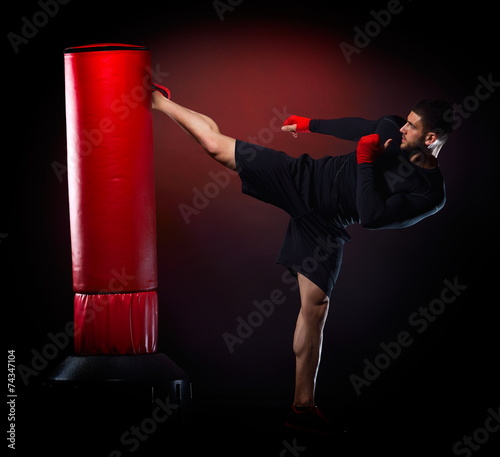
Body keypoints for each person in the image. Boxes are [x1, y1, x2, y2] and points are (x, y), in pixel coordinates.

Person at [151, 84, 454, 434]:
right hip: (302, 178)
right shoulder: (391, 129)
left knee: (316, 307)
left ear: (430, 137)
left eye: (412, 126)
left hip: (326, 225)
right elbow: (360, 126)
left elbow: (372, 217)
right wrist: (311, 124)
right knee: (216, 146)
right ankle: (157, 100)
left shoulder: (428, 193)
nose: (403, 128)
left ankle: (302, 408)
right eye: (406, 121)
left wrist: (366, 160)